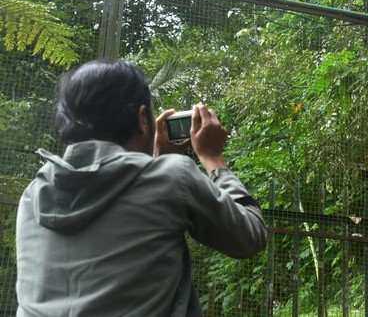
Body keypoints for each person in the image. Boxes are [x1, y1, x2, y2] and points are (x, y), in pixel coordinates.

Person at [15, 59, 267, 316]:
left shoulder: (33, 195)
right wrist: (213, 159)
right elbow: (250, 237)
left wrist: (154, 163)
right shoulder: (173, 177)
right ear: (142, 119)